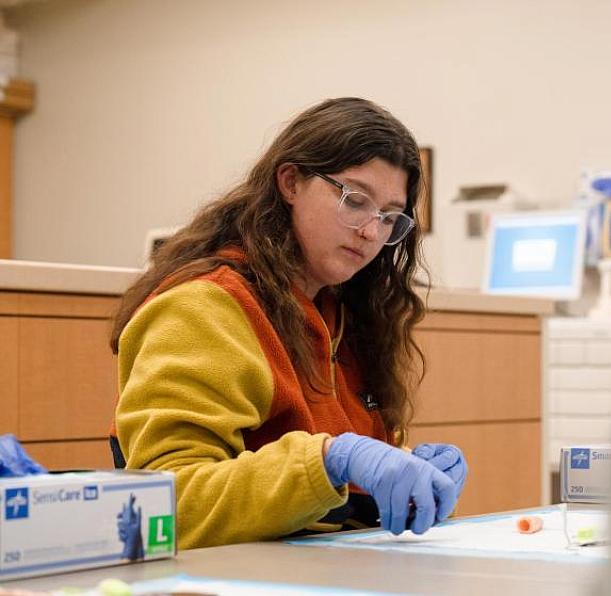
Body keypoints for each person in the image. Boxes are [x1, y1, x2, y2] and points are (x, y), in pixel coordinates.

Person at [109, 97, 468, 550]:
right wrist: (331, 459)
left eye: (390, 217)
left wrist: (414, 476)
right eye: (355, 200)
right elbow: (168, 503)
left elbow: (341, 499)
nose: (371, 232)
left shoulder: (346, 312)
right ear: (291, 182)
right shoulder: (205, 306)